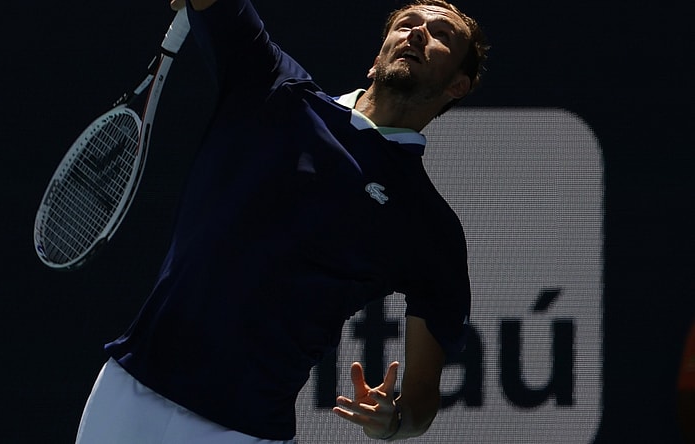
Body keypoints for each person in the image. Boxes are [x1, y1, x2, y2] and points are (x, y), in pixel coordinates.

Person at [75, 0, 488, 442]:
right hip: (128, 393)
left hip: (247, 431)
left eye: (442, 34)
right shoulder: (274, 86)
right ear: (376, 60)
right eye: (407, 24)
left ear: (458, 85)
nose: (419, 33)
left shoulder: (429, 226)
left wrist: (395, 421)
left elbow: (422, 397)